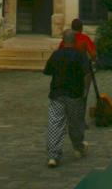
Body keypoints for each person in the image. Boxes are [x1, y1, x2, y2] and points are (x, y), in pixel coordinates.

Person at [43, 28, 88, 168]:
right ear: (75, 41)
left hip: (57, 93)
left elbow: (47, 71)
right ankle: (78, 147)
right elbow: (87, 74)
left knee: (55, 123)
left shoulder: (56, 55)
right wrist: (85, 90)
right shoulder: (80, 55)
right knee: (75, 123)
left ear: (63, 41)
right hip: (74, 94)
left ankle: (53, 155)